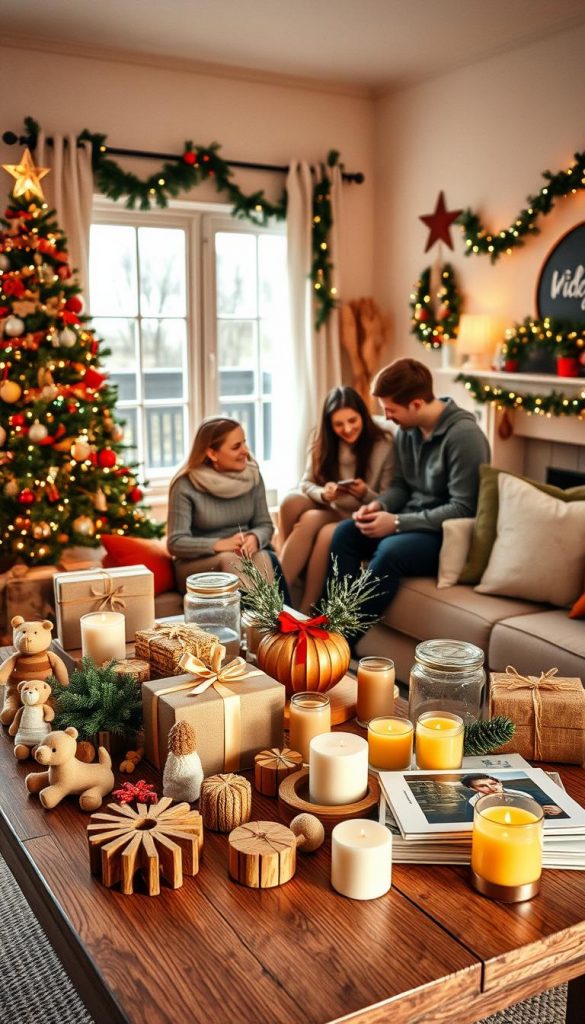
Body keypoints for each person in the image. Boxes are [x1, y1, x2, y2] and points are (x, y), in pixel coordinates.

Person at [327, 358, 490, 636]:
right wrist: (380, 505)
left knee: (391, 552)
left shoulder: (464, 436)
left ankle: (342, 637)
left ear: (416, 404)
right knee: (345, 533)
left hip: (445, 534)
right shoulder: (407, 431)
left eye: (390, 410)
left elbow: (464, 508)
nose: (387, 417)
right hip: (412, 521)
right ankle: (327, 620)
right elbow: (401, 485)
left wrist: (398, 523)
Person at [278, 386, 394, 614]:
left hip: (359, 512)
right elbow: (306, 483)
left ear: (363, 415)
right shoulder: (322, 439)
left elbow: (390, 497)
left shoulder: (383, 444)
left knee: (320, 528)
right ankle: (280, 588)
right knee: (291, 501)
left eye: (353, 420)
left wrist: (364, 494)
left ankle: (306, 608)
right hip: (331, 505)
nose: (347, 429)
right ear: (330, 425)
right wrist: (324, 492)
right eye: (339, 424)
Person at [167, 416, 286, 595]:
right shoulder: (184, 484)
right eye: (236, 446)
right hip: (197, 563)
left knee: (262, 555)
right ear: (212, 453)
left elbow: (265, 525)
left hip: (244, 555)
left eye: (244, 443)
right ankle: (257, 619)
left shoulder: (253, 476)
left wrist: (254, 537)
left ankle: (274, 620)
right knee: (231, 559)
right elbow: (176, 543)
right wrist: (220, 544)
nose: (245, 451)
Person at [461, 774, 565, 819]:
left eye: (493, 783)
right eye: (483, 786)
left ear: (500, 783)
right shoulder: (472, 803)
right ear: (473, 789)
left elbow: (552, 802)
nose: (491, 788)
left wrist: (559, 808)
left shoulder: (525, 792)